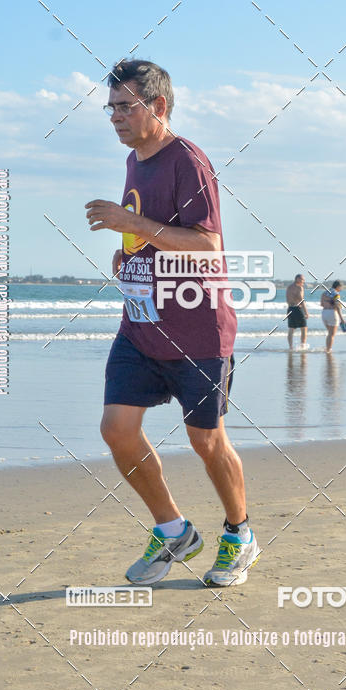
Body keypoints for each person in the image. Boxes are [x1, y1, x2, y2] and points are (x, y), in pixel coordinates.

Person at [85, 59, 260, 588]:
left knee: (206, 441)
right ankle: (173, 530)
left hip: (196, 329)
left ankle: (239, 534)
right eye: (110, 108)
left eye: (125, 106)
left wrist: (131, 224)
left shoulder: (188, 159)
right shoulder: (134, 161)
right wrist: (129, 254)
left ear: (158, 106)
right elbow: (154, 232)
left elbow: (207, 245)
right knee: (117, 429)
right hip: (141, 325)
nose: (115, 117)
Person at [286, 274, 309, 350]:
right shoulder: (299, 288)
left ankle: (290, 347)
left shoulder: (289, 287)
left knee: (291, 329)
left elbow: (287, 300)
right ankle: (303, 346)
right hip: (297, 309)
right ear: (297, 279)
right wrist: (306, 312)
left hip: (290, 308)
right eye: (302, 279)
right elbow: (302, 300)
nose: (303, 281)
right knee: (304, 328)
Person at [320, 280, 344, 353]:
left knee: (329, 333)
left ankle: (327, 348)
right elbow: (338, 306)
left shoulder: (324, 293)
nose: (341, 289)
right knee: (331, 334)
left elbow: (321, 304)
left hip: (324, 313)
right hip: (332, 313)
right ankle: (328, 350)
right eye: (341, 287)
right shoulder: (336, 294)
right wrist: (342, 319)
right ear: (338, 286)